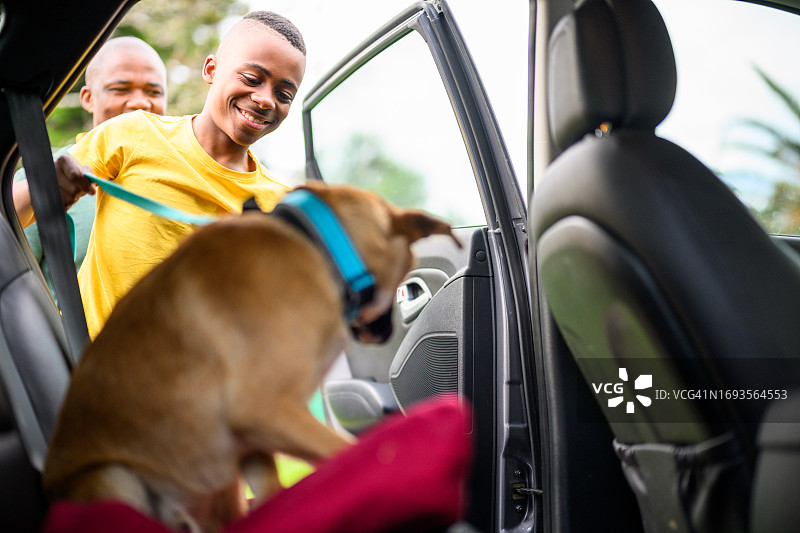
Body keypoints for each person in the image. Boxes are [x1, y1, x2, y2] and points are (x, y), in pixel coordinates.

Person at [55, 11, 306, 338]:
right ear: (211, 70)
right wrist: (52, 187)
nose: (265, 100)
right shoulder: (136, 134)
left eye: (284, 95)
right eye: (252, 78)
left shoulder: (279, 204)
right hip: (86, 369)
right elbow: (18, 207)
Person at [13, 36, 167, 304]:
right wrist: (42, 189)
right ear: (88, 98)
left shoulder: (177, 176)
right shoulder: (48, 173)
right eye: (121, 89)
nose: (141, 103)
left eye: (154, 92)